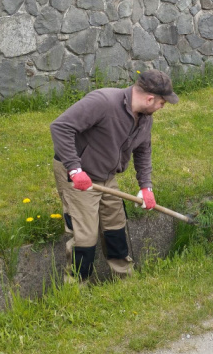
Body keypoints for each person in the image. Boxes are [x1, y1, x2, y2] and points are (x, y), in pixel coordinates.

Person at [50, 70, 179, 283]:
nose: (162, 107)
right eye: (162, 103)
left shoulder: (145, 119)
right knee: (85, 237)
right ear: (149, 98)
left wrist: (146, 187)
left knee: (115, 228)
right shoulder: (104, 102)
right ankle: (75, 290)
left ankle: (124, 280)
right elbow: (60, 127)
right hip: (79, 174)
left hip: (106, 175)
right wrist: (74, 168)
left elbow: (143, 151)